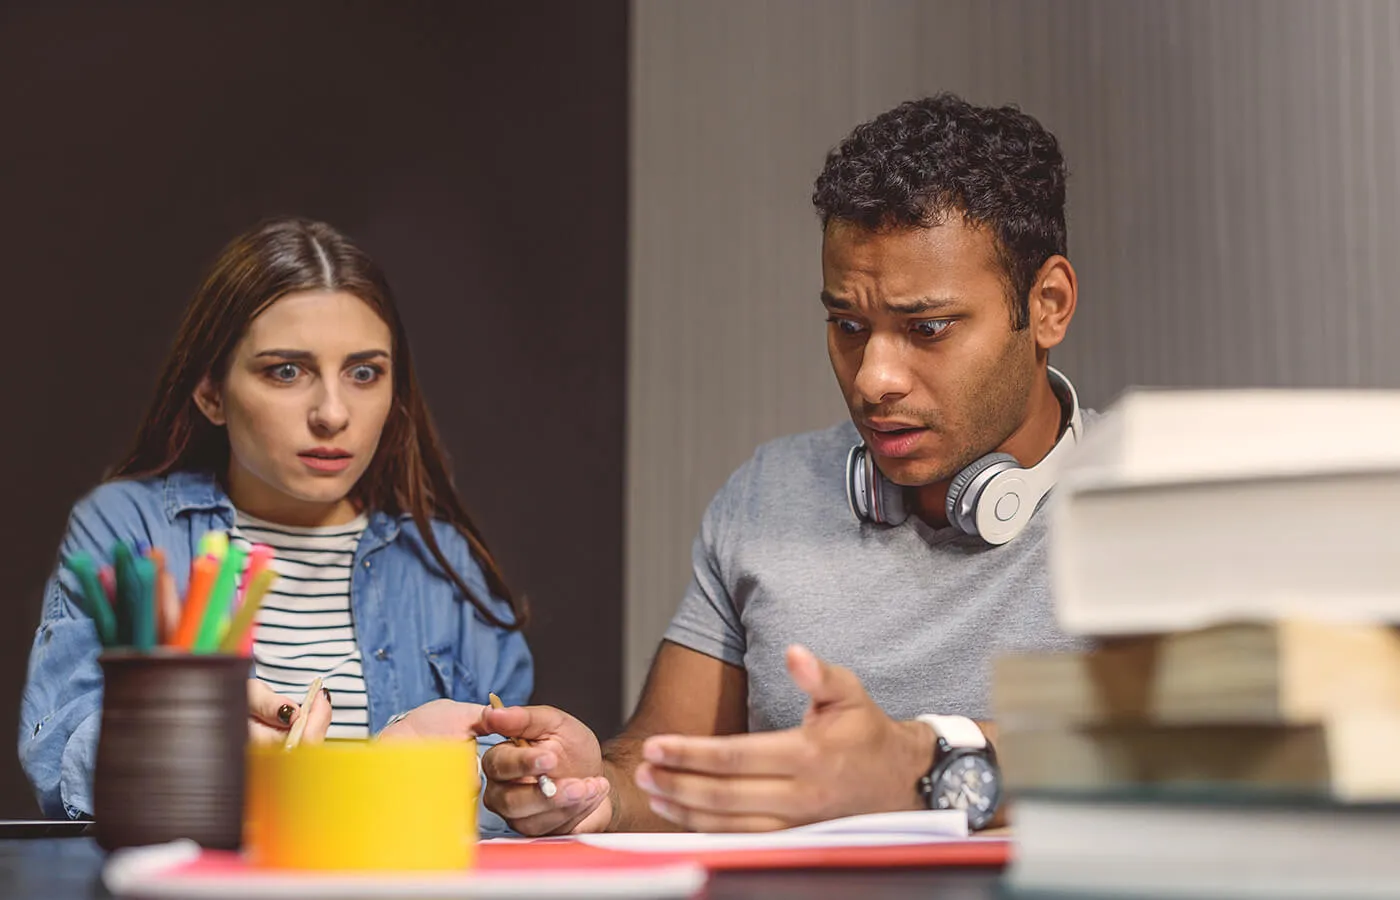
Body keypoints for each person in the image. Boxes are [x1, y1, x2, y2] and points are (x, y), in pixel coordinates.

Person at [479, 93, 1090, 835]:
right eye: (847, 326)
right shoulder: (768, 496)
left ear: (1048, 305)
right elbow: (661, 764)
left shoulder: (1162, 502)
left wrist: (913, 766)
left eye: (927, 328)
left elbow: (1204, 757)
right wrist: (593, 788)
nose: (873, 378)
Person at [20, 217, 531, 827]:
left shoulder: (443, 562)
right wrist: (189, 745)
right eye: (286, 371)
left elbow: (514, 796)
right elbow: (57, 759)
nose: (333, 414)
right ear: (210, 392)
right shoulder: (126, 527)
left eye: (364, 372)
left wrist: (500, 780)